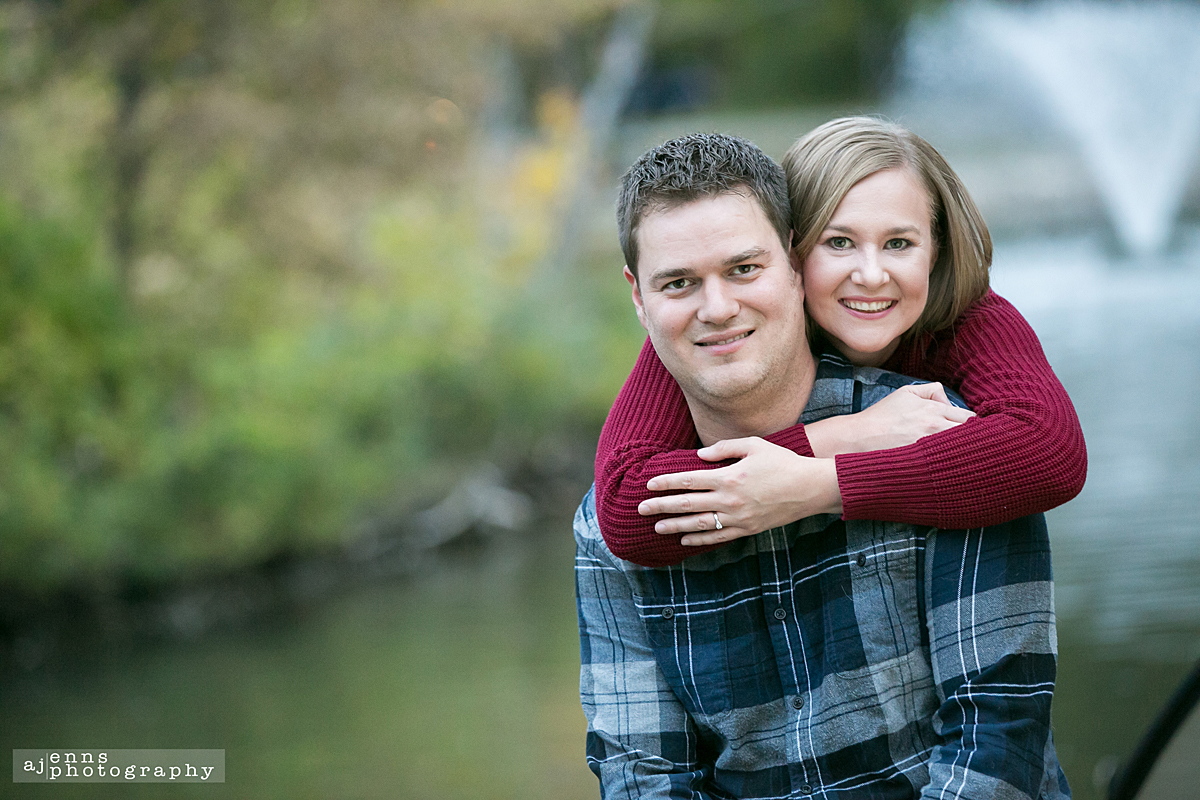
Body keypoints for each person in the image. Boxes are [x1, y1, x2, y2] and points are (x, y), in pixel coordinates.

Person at [576, 129, 1069, 797]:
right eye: (840, 243)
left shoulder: (952, 429)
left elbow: (995, 741)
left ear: (784, 263)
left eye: (743, 269)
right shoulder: (683, 374)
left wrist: (817, 486)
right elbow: (643, 773)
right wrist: (829, 444)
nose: (715, 308)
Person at [594, 119, 1086, 569]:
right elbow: (623, 508)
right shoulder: (726, 326)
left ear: (935, 251)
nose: (871, 276)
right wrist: (844, 437)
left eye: (899, 243)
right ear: (791, 252)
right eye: (839, 242)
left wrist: (816, 487)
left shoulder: (967, 318)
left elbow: (1051, 453)